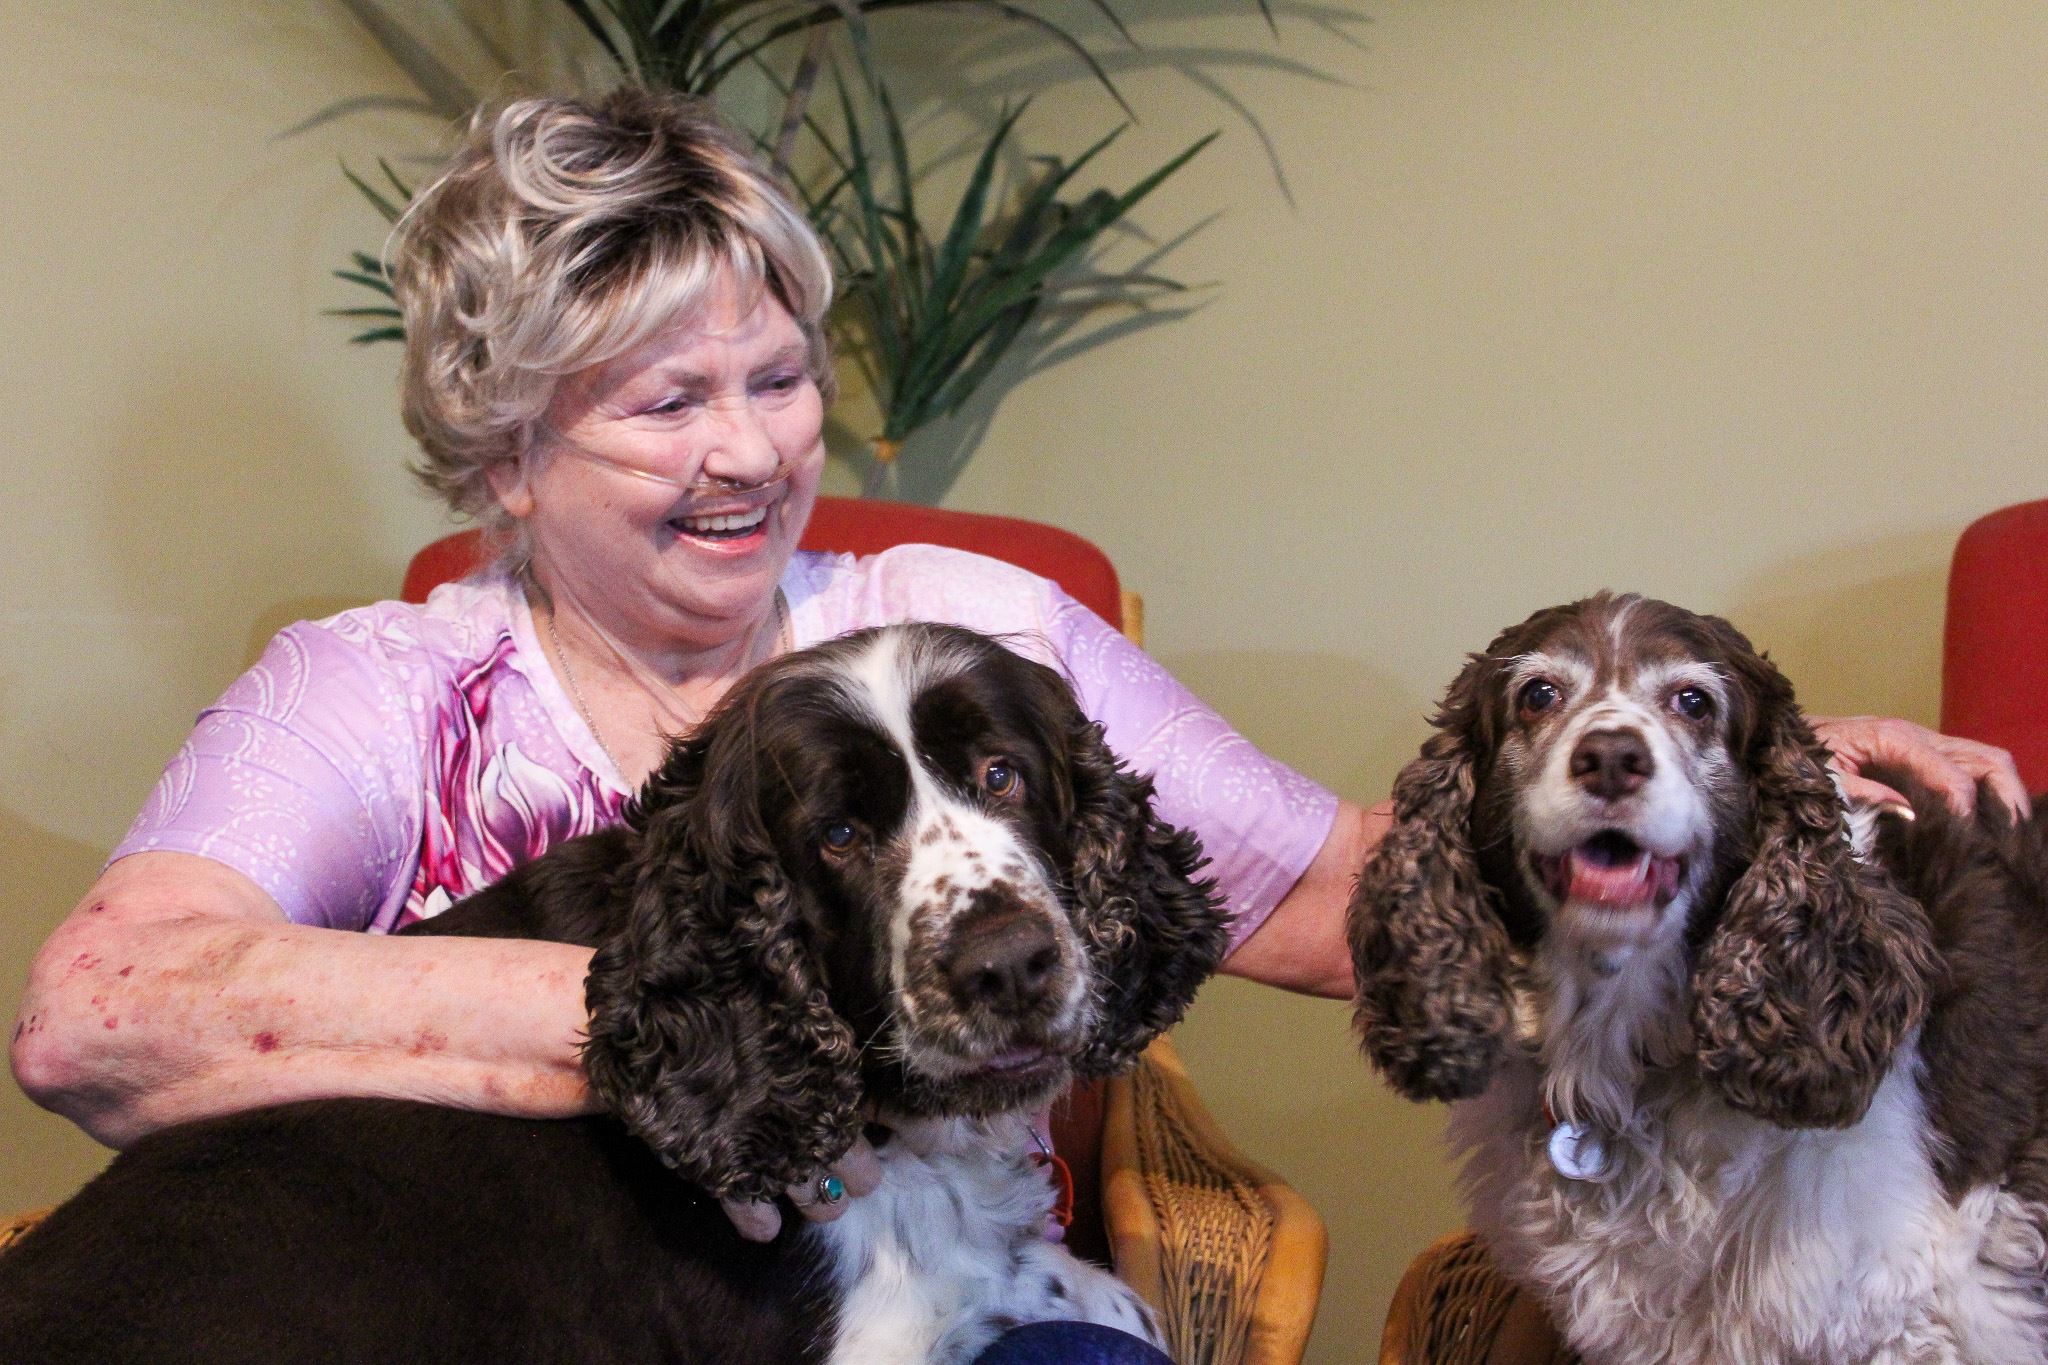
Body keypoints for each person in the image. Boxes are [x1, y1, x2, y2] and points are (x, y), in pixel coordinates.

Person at [8, 89, 2022, 1359]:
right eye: (659, 402)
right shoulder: (374, 690)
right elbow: (99, 1014)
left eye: (775, 376)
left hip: (961, 1309)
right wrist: (733, 1026)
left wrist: (1712, 778)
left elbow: (1341, 899)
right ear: (507, 452)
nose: (747, 453)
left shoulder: (965, 629)